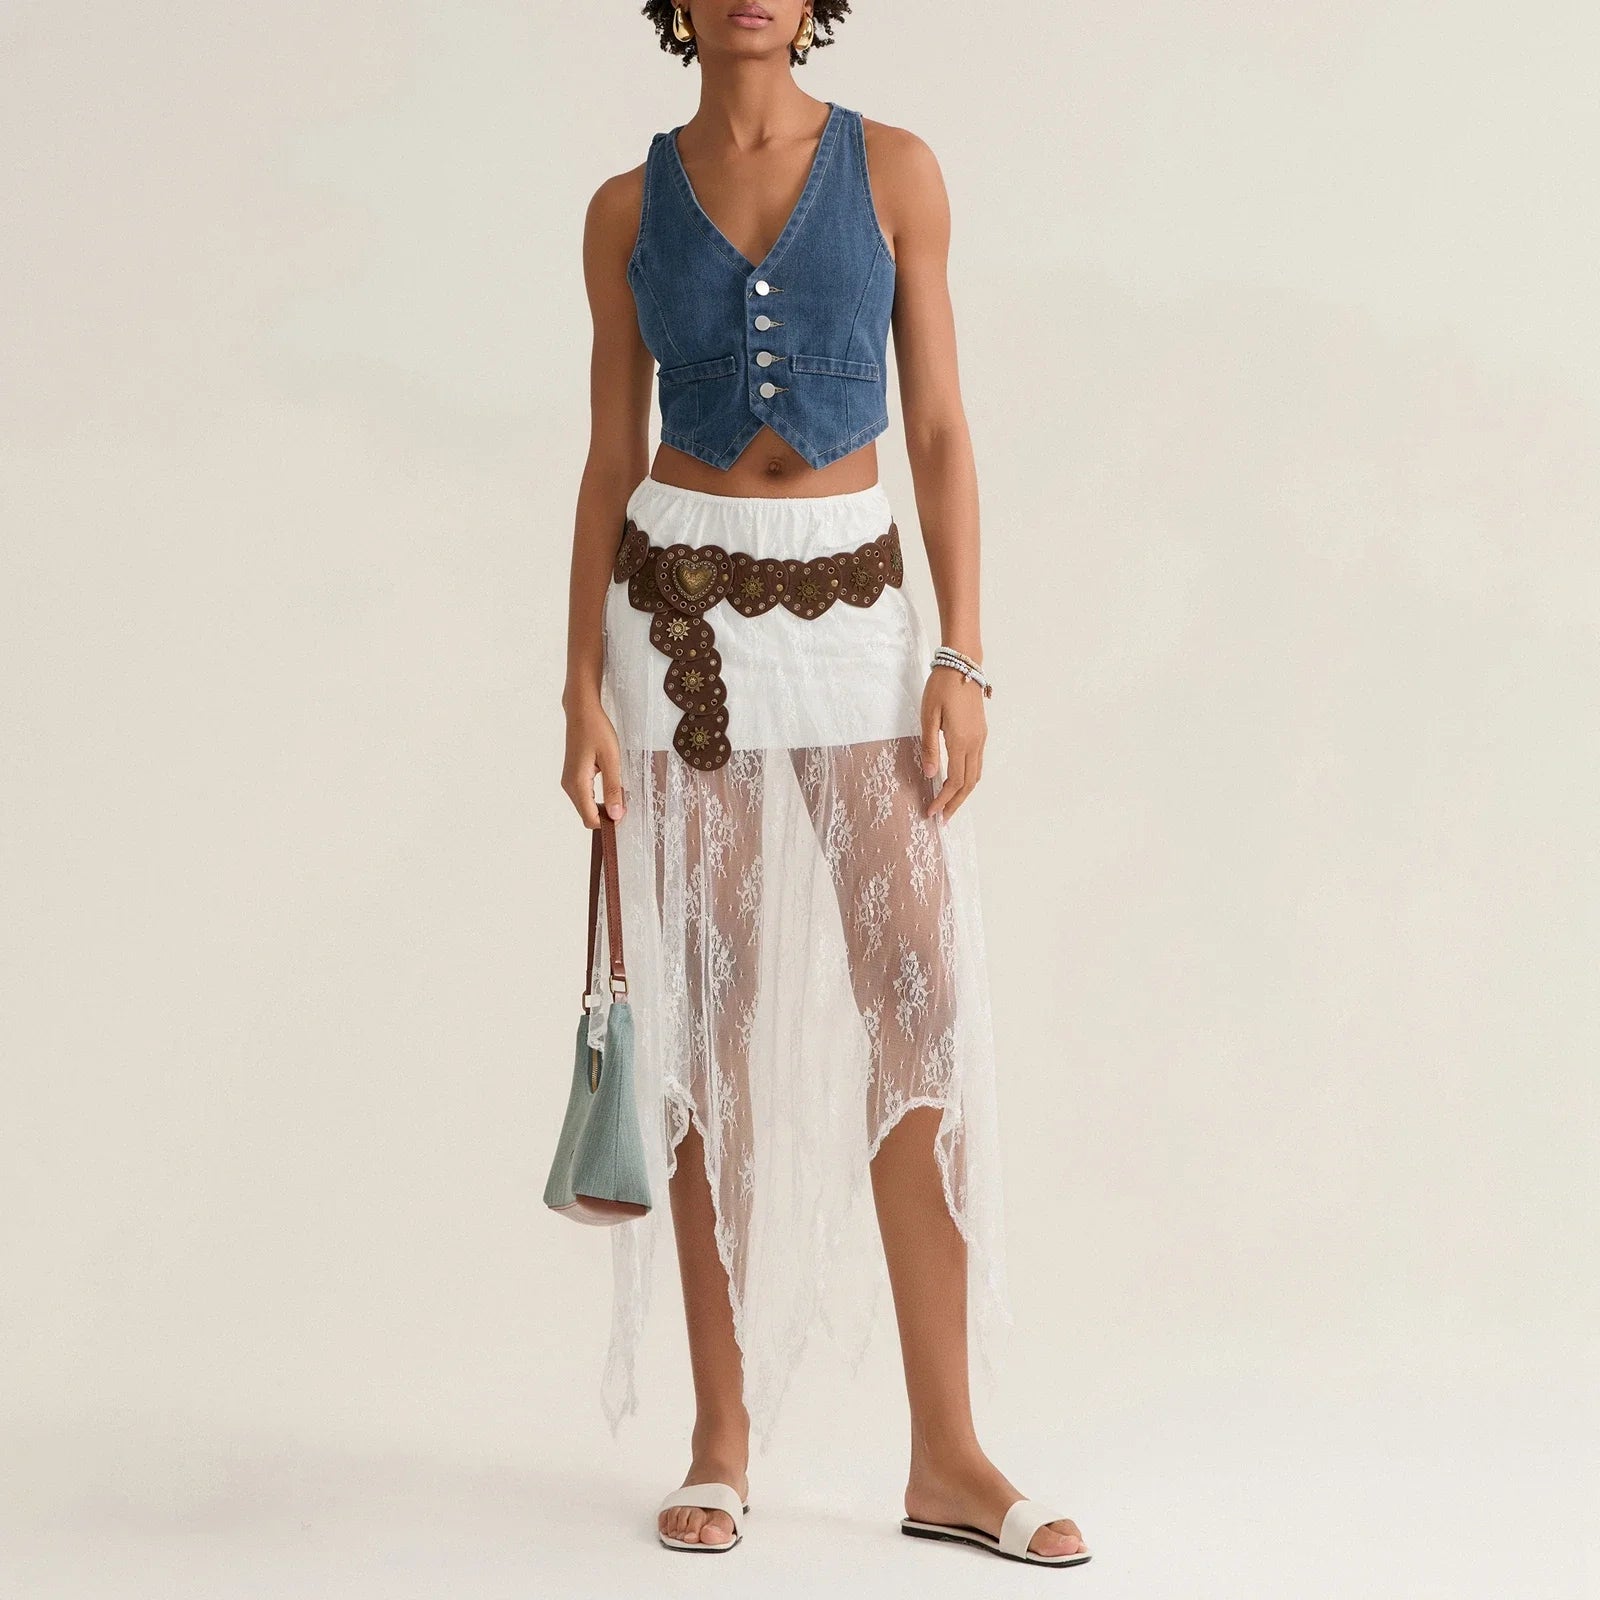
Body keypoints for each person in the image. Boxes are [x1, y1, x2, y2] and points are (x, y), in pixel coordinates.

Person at [558, 0, 1090, 1569]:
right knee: (709, 1006)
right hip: (679, 618)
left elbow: (939, 424)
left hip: (858, 611)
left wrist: (963, 649)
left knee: (920, 993)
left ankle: (949, 1452)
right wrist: (576, 683)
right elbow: (608, 454)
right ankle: (721, 1437)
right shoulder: (623, 207)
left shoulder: (899, 171)